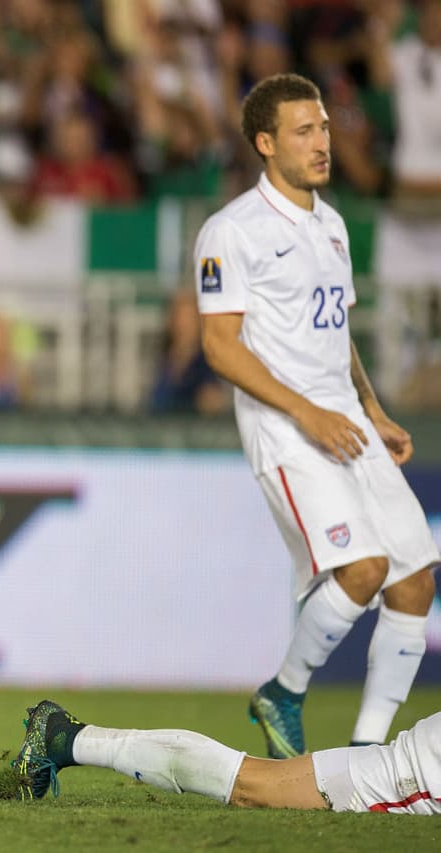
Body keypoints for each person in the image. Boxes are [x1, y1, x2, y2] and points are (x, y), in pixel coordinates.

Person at [193, 73, 439, 760]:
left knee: (416, 580)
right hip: (288, 429)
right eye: (304, 131)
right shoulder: (231, 231)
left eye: (325, 127)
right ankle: (284, 691)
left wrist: (373, 408)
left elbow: (337, 334)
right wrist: (308, 411)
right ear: (266, 143)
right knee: (361, 570)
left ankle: (365, 748)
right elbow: (218, 344)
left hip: (345, 421)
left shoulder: (330, 224)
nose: (322, 142)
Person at [11, 698, 441, 814]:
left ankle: (66, 738)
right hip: (420, 771)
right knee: (253, 786)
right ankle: (64, 737)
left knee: (255, 781)